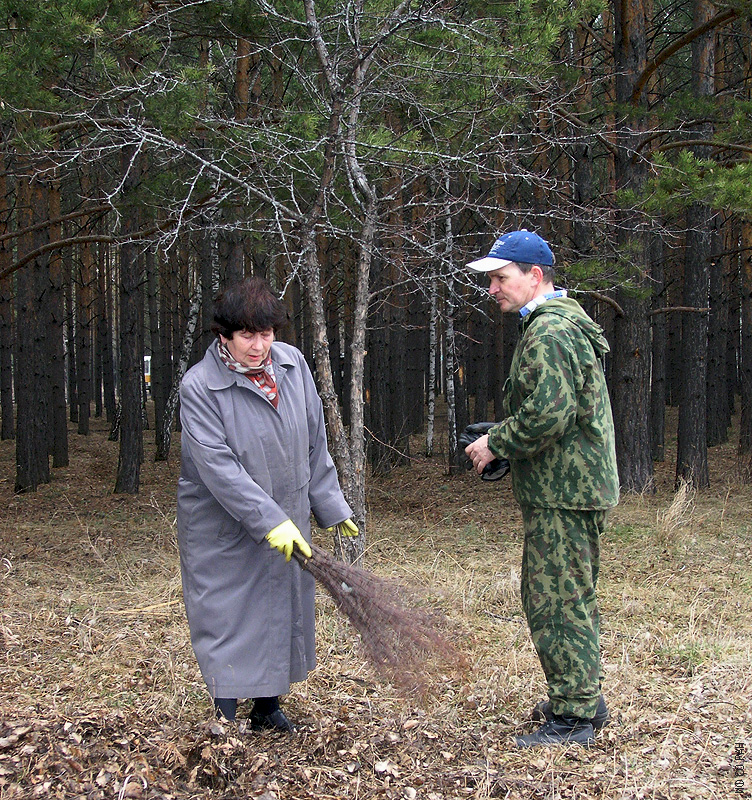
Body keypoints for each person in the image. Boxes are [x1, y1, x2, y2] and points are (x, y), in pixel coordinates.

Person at [177, 276, 357, 732]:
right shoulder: (200, 387)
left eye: (267, 334)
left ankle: (267, 706)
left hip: (288, 517)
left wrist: (332, 505)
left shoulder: (292, 365)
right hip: (224, 527)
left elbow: (315, 440)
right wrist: (268, 521)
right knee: (229, 615)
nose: (259, 347)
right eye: (247, 336)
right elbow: (218, 468)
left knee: (280, 611)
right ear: (225, 335)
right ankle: (224, 715)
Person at [463, 230, 619, 749]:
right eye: (490, 279)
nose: (492, 289)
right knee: (569, 593)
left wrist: (495, 442)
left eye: (501, 278)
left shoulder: (550, 332)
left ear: (535, 276)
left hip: (564, 491)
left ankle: (574, 719)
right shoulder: (557, 325)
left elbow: (550, 415)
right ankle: (581, 698)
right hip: (570, 487)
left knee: (555, 599)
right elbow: (557, 408)